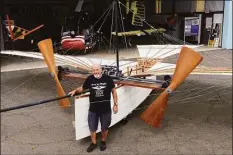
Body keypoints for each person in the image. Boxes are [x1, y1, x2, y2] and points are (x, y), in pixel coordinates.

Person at [69, 64, 118, 152]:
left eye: (97, 70)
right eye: (93, 70)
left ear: (101, 70)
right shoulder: (90, 78)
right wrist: (75, 91)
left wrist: (115, 104)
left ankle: (103, 141)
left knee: (105, 127)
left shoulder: (108, 78)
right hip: (93, 110)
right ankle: (93, 143)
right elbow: (82, 88)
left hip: (105, 109)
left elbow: (114, 91)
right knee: (92, 128)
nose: (95, 72)